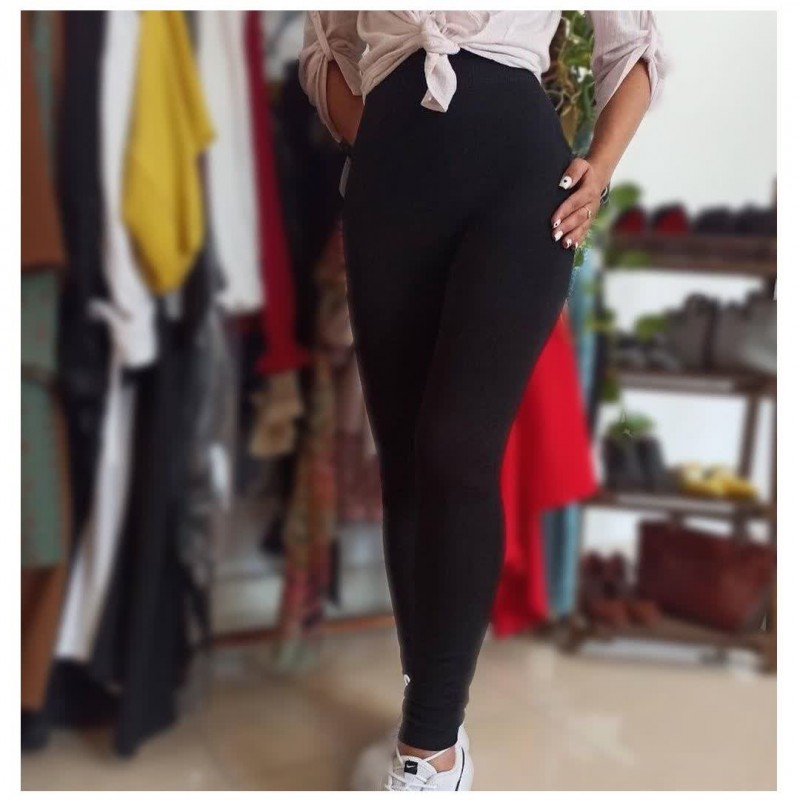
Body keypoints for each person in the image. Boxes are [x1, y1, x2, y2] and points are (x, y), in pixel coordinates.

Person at [299, 10, 666, 791]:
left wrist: (599, 169)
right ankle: (428, 705)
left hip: (518, 188)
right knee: (405, 461)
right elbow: (325, 53)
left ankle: (432, 751)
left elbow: (634, 50)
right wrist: (389, 146)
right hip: (390, 190)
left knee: (455, 448)